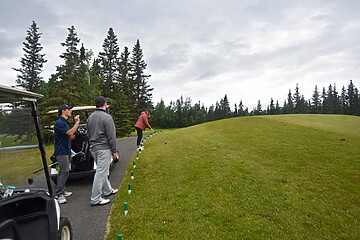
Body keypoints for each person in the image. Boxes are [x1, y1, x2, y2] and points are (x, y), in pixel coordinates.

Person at [86, 96, 118, 206]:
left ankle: (108, 190)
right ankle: (95, 199)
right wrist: (114, 151)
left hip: (93, 148)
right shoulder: (107, 117)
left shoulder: (90, 118)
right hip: (104, 148)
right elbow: (111, 136)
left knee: (102, 170)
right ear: (105, 104)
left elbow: (88, 134)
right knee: (101, 172)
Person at [54, 104, 80, 204]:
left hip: (66, 150)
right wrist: (77, 123)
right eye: (69, 110)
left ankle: (62, 190)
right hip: (61, 151)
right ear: (63, 111)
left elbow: (69, 135)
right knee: (64, 171)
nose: (70, 111)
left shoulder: (64, 122)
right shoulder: (60, 122)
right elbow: (69, 133)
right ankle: (59, 194)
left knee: (63, 171)